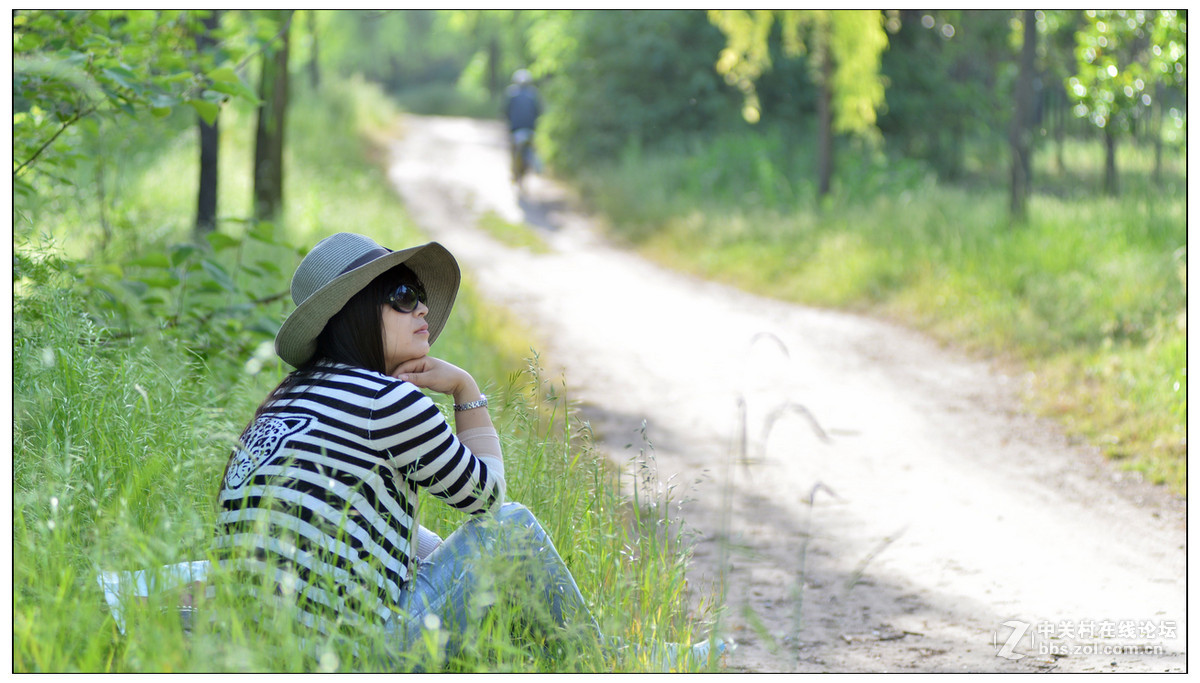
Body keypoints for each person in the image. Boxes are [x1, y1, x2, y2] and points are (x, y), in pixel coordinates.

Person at [211, 232, 721, 669]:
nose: (423, 309)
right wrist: (465, 388)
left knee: (449, 550)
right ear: (356, 312)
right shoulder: (384, 400)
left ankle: (584, 655)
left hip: (272, 656)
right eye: (403, 296)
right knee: (513, 529)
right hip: (358, 658)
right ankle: (614, 663)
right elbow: (489, 500)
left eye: (418, 295)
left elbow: (351, 527)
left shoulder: (287, 401)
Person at [504, 68, 541, 185]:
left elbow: (505, 111)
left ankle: (514, 171)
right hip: (530, 129)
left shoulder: (511, 93)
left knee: (513, 149)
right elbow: (538, 111)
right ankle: (532, 168)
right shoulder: (533, 94)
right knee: (531, 149)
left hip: (515, 129)